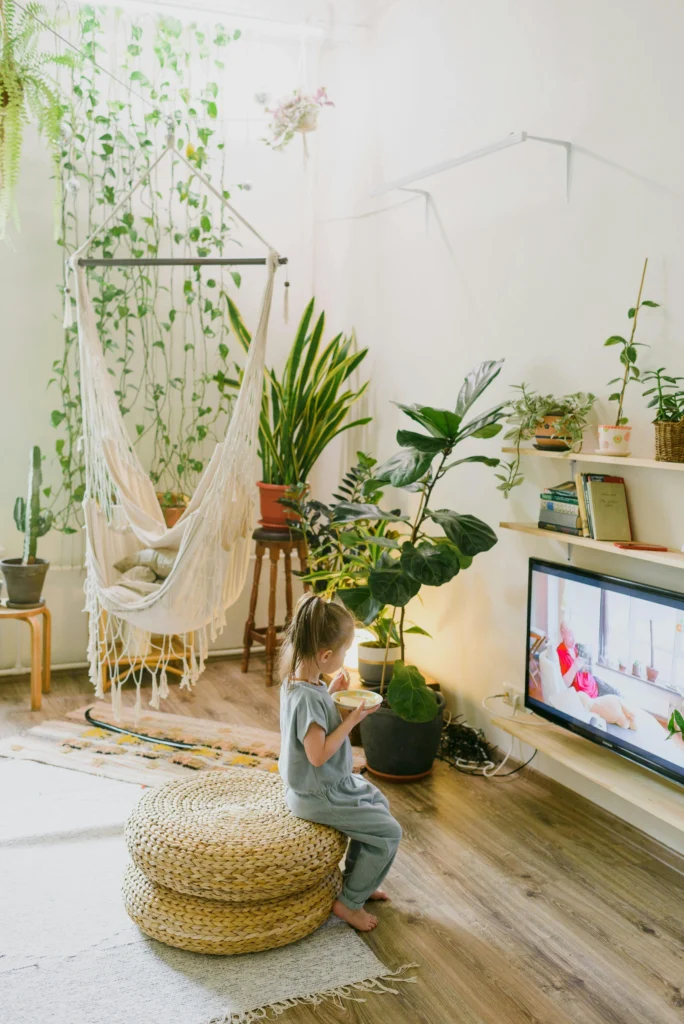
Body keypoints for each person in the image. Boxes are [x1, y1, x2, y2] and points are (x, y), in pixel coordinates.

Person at [279, 593, 402, 932]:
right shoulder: (306, 698)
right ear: (326, 655)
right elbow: (317, 754)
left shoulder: (301, 681)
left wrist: (332, 689)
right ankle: (348, 904)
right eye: (345, 651)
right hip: (319, 795)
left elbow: (313, 722)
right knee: (389, 832)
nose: (346, 655)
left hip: (327, 785)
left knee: (379, 803)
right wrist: (351, 720)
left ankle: (361, 879)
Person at [556, 620, 600, 698]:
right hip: (584, 696)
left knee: (616, 693)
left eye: (575, 636)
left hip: (593, 685)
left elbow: (585, 669)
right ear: (562, 635)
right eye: (571, 636)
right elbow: (564, 684)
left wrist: (589, 664)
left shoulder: (577, 647)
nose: (574, 639)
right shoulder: (560, 653)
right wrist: (574, 667)